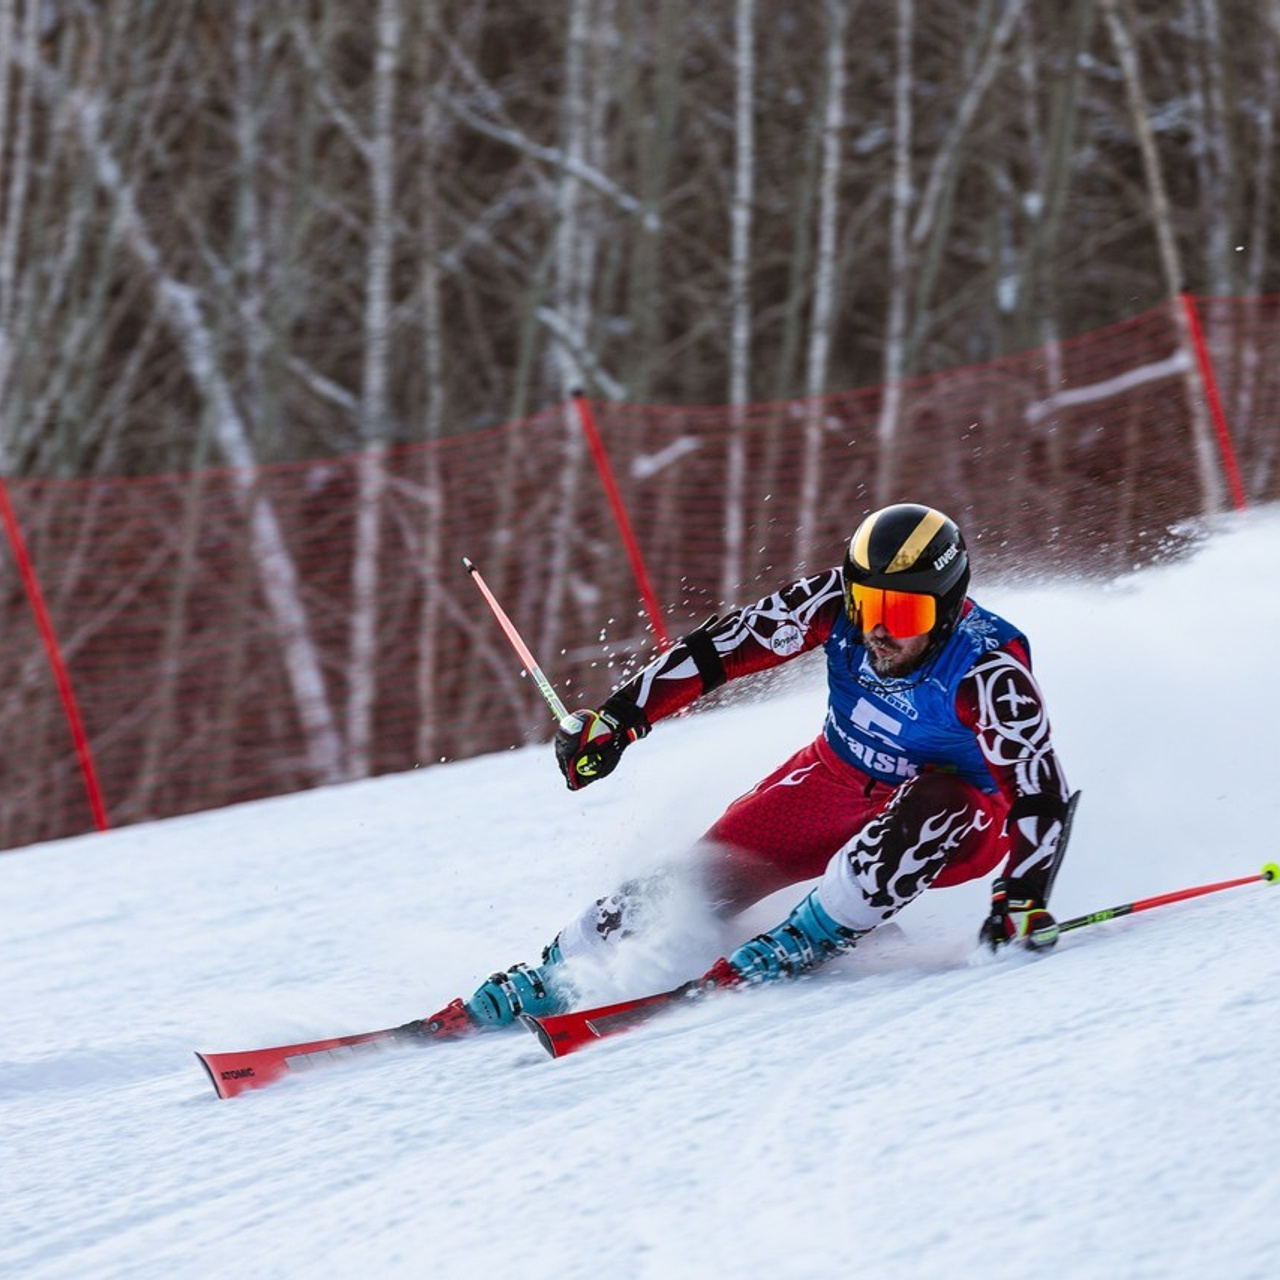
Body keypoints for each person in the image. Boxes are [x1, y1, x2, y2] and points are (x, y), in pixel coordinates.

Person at [427, 502, 1074, 1035]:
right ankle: (561, 969)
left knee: (936, 803)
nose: (878, 630)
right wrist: (619, 720)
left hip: (963, 817)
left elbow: (1040, 789)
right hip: (837, 780)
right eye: (868, 606)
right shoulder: (833, 604)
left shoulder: (987, 669)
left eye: (902, 614)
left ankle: (809, 937)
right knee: (695, 879)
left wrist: (1021, 894)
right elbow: (722, 648)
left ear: (949, 606)